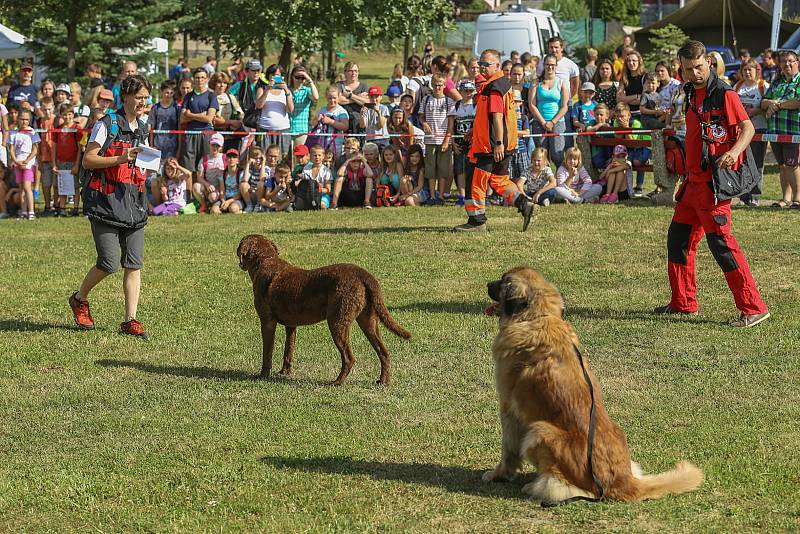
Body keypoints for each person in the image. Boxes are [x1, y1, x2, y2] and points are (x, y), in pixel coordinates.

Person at [655, 41, 769, 328]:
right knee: (678, 241)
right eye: (687, 69)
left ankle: (753, 307)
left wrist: (733, 152)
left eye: (698, 67)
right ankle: (683, 303)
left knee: (722, 244)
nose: (694, 73)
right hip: (692, 185)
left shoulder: (725, 93)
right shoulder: (691, 92)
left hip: (712, 186)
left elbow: (748, 128)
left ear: (709, 62)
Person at [70, 74, 153, 339]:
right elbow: (88, 160)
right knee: (108, 263)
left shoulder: (143, 127)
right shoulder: (106, 124)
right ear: (125, 96)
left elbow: (140, 163)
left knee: (134, 263)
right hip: (105, 203)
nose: (143, 102)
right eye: (139, 97)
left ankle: (130, 320)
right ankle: (80, 299)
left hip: (133, 203)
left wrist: (148, 168)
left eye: (145, 98)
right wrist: (120, 157)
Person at [454, 49, 534, 232]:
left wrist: (498, 143)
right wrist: (473, 131)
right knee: (499, 181)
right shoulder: (499, 84)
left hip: (490, 146)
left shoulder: (495, 87)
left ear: (497, 66)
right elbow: (488, 117)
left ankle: (477, 222)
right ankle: (524, 203)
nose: (481, 68)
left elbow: (498, 117)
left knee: (476, 182)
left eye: (486, 65)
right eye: (480, 64)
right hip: (499, 144)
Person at [761, 50, 800, 209]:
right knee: (783, 166)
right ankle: (785, 199)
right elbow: (763, 102)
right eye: (784, 61)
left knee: (793, 165)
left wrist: (776, 105)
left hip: (794, 132)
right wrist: (771, 103)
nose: (787, 64)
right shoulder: (777, 81)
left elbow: (797, 102)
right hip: (776, 132)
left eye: (790, 61)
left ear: (797, 62)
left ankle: (798, 200)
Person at [734, 59, 769, 207]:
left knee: (756, 163)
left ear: (756, 71)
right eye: (745, 70)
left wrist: (756, 110)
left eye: (750, 70)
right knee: (742, 163)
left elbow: (768, 106)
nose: (747, 73)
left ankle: (755, 195)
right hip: (740, 131)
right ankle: (743, 195)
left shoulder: (763, 86)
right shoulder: (738, 86)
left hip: (758, 129)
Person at [418, 73, 455, 204]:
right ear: (431, 85)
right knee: (431, 169)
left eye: (440, 85)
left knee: (443, 170)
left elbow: (451, 122)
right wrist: (424, 123)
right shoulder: (426, 100)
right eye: (435, 85)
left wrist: (447, 139)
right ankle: (432, 196)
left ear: (444, 86)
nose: (437, 87)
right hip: (429, 140)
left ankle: (441, 195)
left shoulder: (449, 101)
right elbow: (421, 116)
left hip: (444, 140)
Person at [529, 54, 569, 167]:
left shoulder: (561, 83)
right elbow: (532, 104)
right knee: (542, 156)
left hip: (557, 122)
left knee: (557, 155)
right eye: (547, 65)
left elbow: (564, 106)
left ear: (556, 66)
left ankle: (561, 180)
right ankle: (545, 182)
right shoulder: (536, 83)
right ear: (544, 65)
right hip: (539, 122)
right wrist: (543, 122)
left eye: (552, 65)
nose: (550, 67)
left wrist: (552, 122)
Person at [180, 68, 219, 182]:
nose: (200, 80)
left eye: (202, 77)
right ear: (193, 79)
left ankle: (202, 196)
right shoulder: (188, 96)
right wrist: (200, 115)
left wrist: (190, 114)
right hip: (190, 134)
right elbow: (182, 118)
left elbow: (209, 118)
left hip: (206, 134)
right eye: (197, 77)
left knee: (205, 167)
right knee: (189, 168)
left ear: (206, 79)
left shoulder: (211, 96)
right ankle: (189, 197)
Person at [448, 78, 477, 207]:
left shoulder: (476, 106)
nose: (468, 93)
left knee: (471, 170)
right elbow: (451, 127)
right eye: (466, 91)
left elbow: (478, 126)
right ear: (460, 91)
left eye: (471, 90)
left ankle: (472, 194)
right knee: (459, 169)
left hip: (472, 143)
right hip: (459, 142)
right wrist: (453, 142)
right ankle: (461, 195)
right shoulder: (455, 106)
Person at [255, 64, 294, 155]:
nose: (275, 78)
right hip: (265, 130)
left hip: (283, 130)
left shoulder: (287, 91)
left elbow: (290, 109)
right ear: (268, 76)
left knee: (282, 157)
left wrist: (286, 90)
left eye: (278, 75)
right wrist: (268, 89)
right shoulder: (262, 89)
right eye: (273, 75)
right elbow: (259, 105)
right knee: (264, 156)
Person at [8, 109, 39, 220]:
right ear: (18, 119)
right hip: (18, 163)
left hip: (28, 164)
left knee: (27, 188)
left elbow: (35, 149)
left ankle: (31, 212)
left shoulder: (32, 132)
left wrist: (26, 161)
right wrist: (16, 161)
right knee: (21, 189)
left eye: (26, 119)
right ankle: (23, 211)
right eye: (22, 119)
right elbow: (11, 149)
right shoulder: (14, 133)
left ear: (29, 120)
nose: (24, 121)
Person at [52, 103, 82, 217]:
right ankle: (62, 208)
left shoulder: (77, 129)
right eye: (64, 115)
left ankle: (75, 208)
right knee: (62, 185)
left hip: (73, 162)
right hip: (60, 161)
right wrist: (54, 164)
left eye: (69, 114)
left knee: (75, 186)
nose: (67, 117)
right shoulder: (57, 130)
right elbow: (54, 148)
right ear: (60, 115)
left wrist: (76, 165)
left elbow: (80, 148)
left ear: (73, 115)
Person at [311, 86, 349, 159]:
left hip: (336, 145)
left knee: (335, 164)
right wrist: (317, 120)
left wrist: (330, 121)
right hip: (321, 144)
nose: (332, 100)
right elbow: (313, 124)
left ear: (339, 96)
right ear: (326, 97)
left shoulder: (341, 111)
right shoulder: (322, 110)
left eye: (334, 98)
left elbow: (345, 126)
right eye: (330, 98)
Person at [192, 132, 226, 212]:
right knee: (196, 186)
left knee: (213, 197)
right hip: (208, 187)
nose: (215, 148)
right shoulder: (204, 159)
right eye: (213, 145)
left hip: (220, 188)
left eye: (217, 146)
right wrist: (207, 184)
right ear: (209, 145)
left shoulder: (225, 158)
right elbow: (199, 177)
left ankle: (215, 205)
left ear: (221, 147)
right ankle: (204, 205)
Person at [148, 80, 181, 161]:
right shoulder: (155, 108)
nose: (169, 95)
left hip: (172, 147)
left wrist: (179, 149)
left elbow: (179, 129)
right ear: (161, 92)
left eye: (171, 93)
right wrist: (151, 145)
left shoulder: (177, 108)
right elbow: (151, 129)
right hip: (157, 146)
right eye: (166, 92)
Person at [288, 65, 319, 146]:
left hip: (301, 129)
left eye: (303, 78)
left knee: (299, 156)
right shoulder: (287, 90)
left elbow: (316, 97)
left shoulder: (307, 90)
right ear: (292, 77)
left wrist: (310, 80)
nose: (300, 80)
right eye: (297, 77)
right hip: (287, 129)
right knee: (286, 157)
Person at [336, 62, 369, 135]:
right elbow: (339, 100)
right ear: (345, 72)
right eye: (350, 71)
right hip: (342, 121)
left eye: (355, 71)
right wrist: (359, 98)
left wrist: (350, 95)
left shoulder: (364, 86)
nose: (353, 73)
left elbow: (367, 103)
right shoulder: (339, 85)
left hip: (359, 122)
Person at [37, 97, 56, 216]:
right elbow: (38, 140)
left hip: (55, 156)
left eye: (49, 109)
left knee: (56, 184)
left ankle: (58, 205)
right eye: (45, 110)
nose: (47, 112)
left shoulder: (56, 120)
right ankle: (47, 206)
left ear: (53, 108)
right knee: (46, 183)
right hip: (44, 156)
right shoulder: (39, 121)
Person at [300, 144, 332, 209]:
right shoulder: (306, 168)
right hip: (308, 195)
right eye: (315, 155)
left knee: (322, 205)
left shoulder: (326, 171)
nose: (317, 157)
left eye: (319, 155)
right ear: (310, 156)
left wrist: (318, 189)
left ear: (323, 156)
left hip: (323, 195)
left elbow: (328, 190)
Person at [214, 148, 245, 214]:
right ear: (226, 159)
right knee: (214, 211)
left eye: (234, 157)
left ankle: (240, 211)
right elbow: (222, 191)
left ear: (238, 160)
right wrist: (223, 201)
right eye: (229, 157)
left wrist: (229, 202)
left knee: (233, 209)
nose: (231, 159)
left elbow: (240, 194)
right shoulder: (223, 174)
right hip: (226, 198)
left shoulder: (240, 173)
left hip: (236, 199)